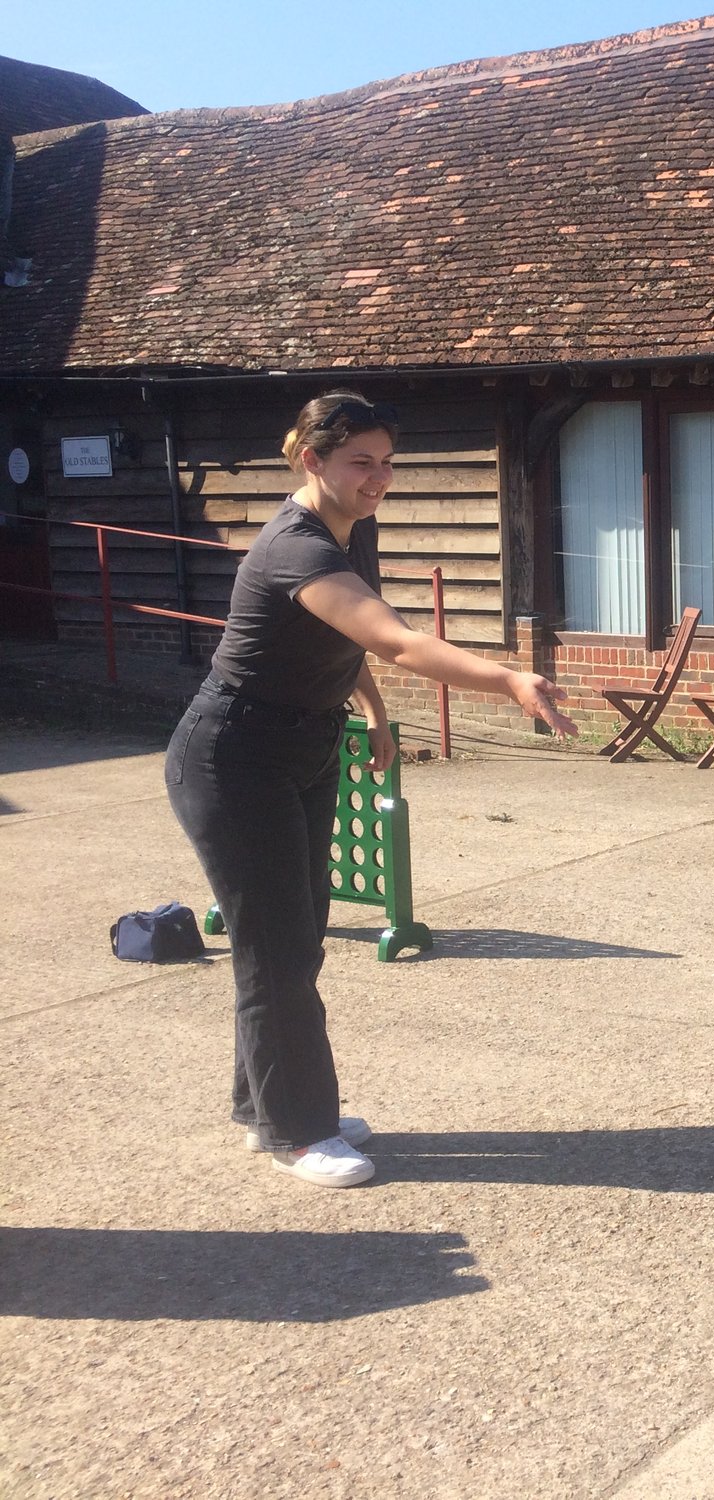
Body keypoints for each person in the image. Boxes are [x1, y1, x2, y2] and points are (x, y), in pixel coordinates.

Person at [165, 392, 576, 1188]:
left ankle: (267, 1108)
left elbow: (348, 641)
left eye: (387, 462)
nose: (378, 478)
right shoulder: (296, 546)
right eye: (361, 462)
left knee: (297, 933)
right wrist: (510, 680)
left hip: (305, 746)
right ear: (312, 461)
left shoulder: (353, 530)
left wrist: (376, 716)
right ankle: (300, 1132)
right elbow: (392, 638)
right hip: (233, 755)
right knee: (277, 947)